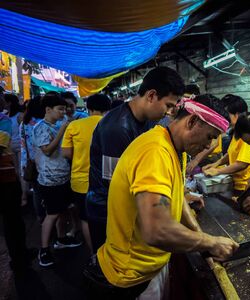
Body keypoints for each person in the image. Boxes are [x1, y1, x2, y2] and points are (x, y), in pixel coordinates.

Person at [84, 94, 238, 299]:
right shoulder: (155, 151)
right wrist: (211, 242)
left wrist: (197, 232)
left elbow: (177, 195)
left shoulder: (175, 147)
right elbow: (156, 230)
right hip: (129, 276)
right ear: (191, 121)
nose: (210, 147)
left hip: (151, 265)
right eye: (210, 136)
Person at [86, 66, 184, 252]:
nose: (169, 112)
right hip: (105, 209)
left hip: (123, 207)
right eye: (168, 105)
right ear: (151, 95)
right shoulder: (117, 128)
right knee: (109, 263)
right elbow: (114, 183)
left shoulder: (147, 119)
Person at [33, 94, 81, 267]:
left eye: (64, 109)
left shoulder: (58, 124)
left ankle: (61, 239)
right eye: (60, 109)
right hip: (49, 179)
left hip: (64, 175)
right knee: (52, 214)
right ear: (48, 110)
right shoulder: (40, 128)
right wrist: (63, 131)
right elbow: (47, 150)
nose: (63, 112)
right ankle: (44, 250)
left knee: (63, 212)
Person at [62, 94, 111, 255]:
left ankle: (94, 255)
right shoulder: (111, 124)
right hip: (108, 182)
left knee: (85, 218)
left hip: (81, 181)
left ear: (89, 109)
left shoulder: (74, 125)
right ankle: (110, 254)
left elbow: (67, 154)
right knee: (109, 219)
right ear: (108, 109)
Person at [203, 94, 250, 195]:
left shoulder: (247, 132)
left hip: (249, 186)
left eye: (227, 115)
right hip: (237, 183)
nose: (224, 118)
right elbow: (231, 153)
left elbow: (242, 164)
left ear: (237, 114)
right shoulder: (236, 131)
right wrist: (216, 164)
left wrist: (217, 171)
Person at [0, 94, 29, 274]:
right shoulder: (4, 120)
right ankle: (19, 258)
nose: (3, 100)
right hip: (6, 181)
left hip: (8, 178)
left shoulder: (4, 120)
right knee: (12, 222)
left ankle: (20, 257)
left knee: (14, 222)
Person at [20, 96, 45, 220]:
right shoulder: (43, 123)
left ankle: (40, 218)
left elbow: (23, 144)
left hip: (31, 162)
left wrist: (24, 162)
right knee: (47, 192)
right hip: (45, 162)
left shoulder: (24, 123)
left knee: (37, 192)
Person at [4, 94, 28, 205]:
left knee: (21, 171)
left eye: (5, 101)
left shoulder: (19, 115)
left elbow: (24, 132)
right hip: (10, 148)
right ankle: (21, 195)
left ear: (9, 102)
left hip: (19, 147)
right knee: (16, 172)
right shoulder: (6, 115)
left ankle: (24, 196)